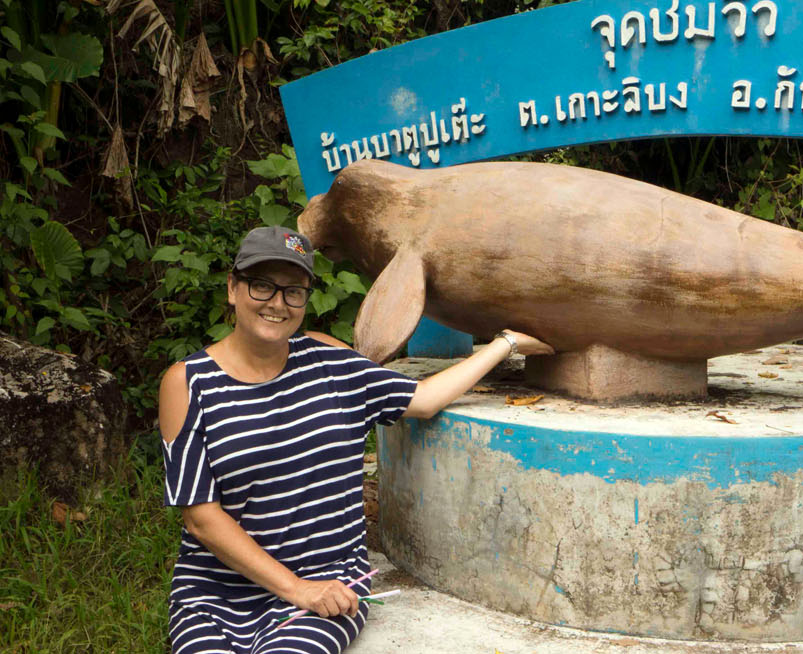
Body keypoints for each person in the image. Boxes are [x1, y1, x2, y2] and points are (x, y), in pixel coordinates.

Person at [158, 226, 552, 653]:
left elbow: (422, 399)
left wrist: (505, 344)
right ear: (233, 289)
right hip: (218, 594)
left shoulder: (330, 363)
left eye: (294, 291)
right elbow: (201, 518)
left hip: (327, 585)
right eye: (262, 286)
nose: (277, 303)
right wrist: (293, 588)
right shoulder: (188, 383)